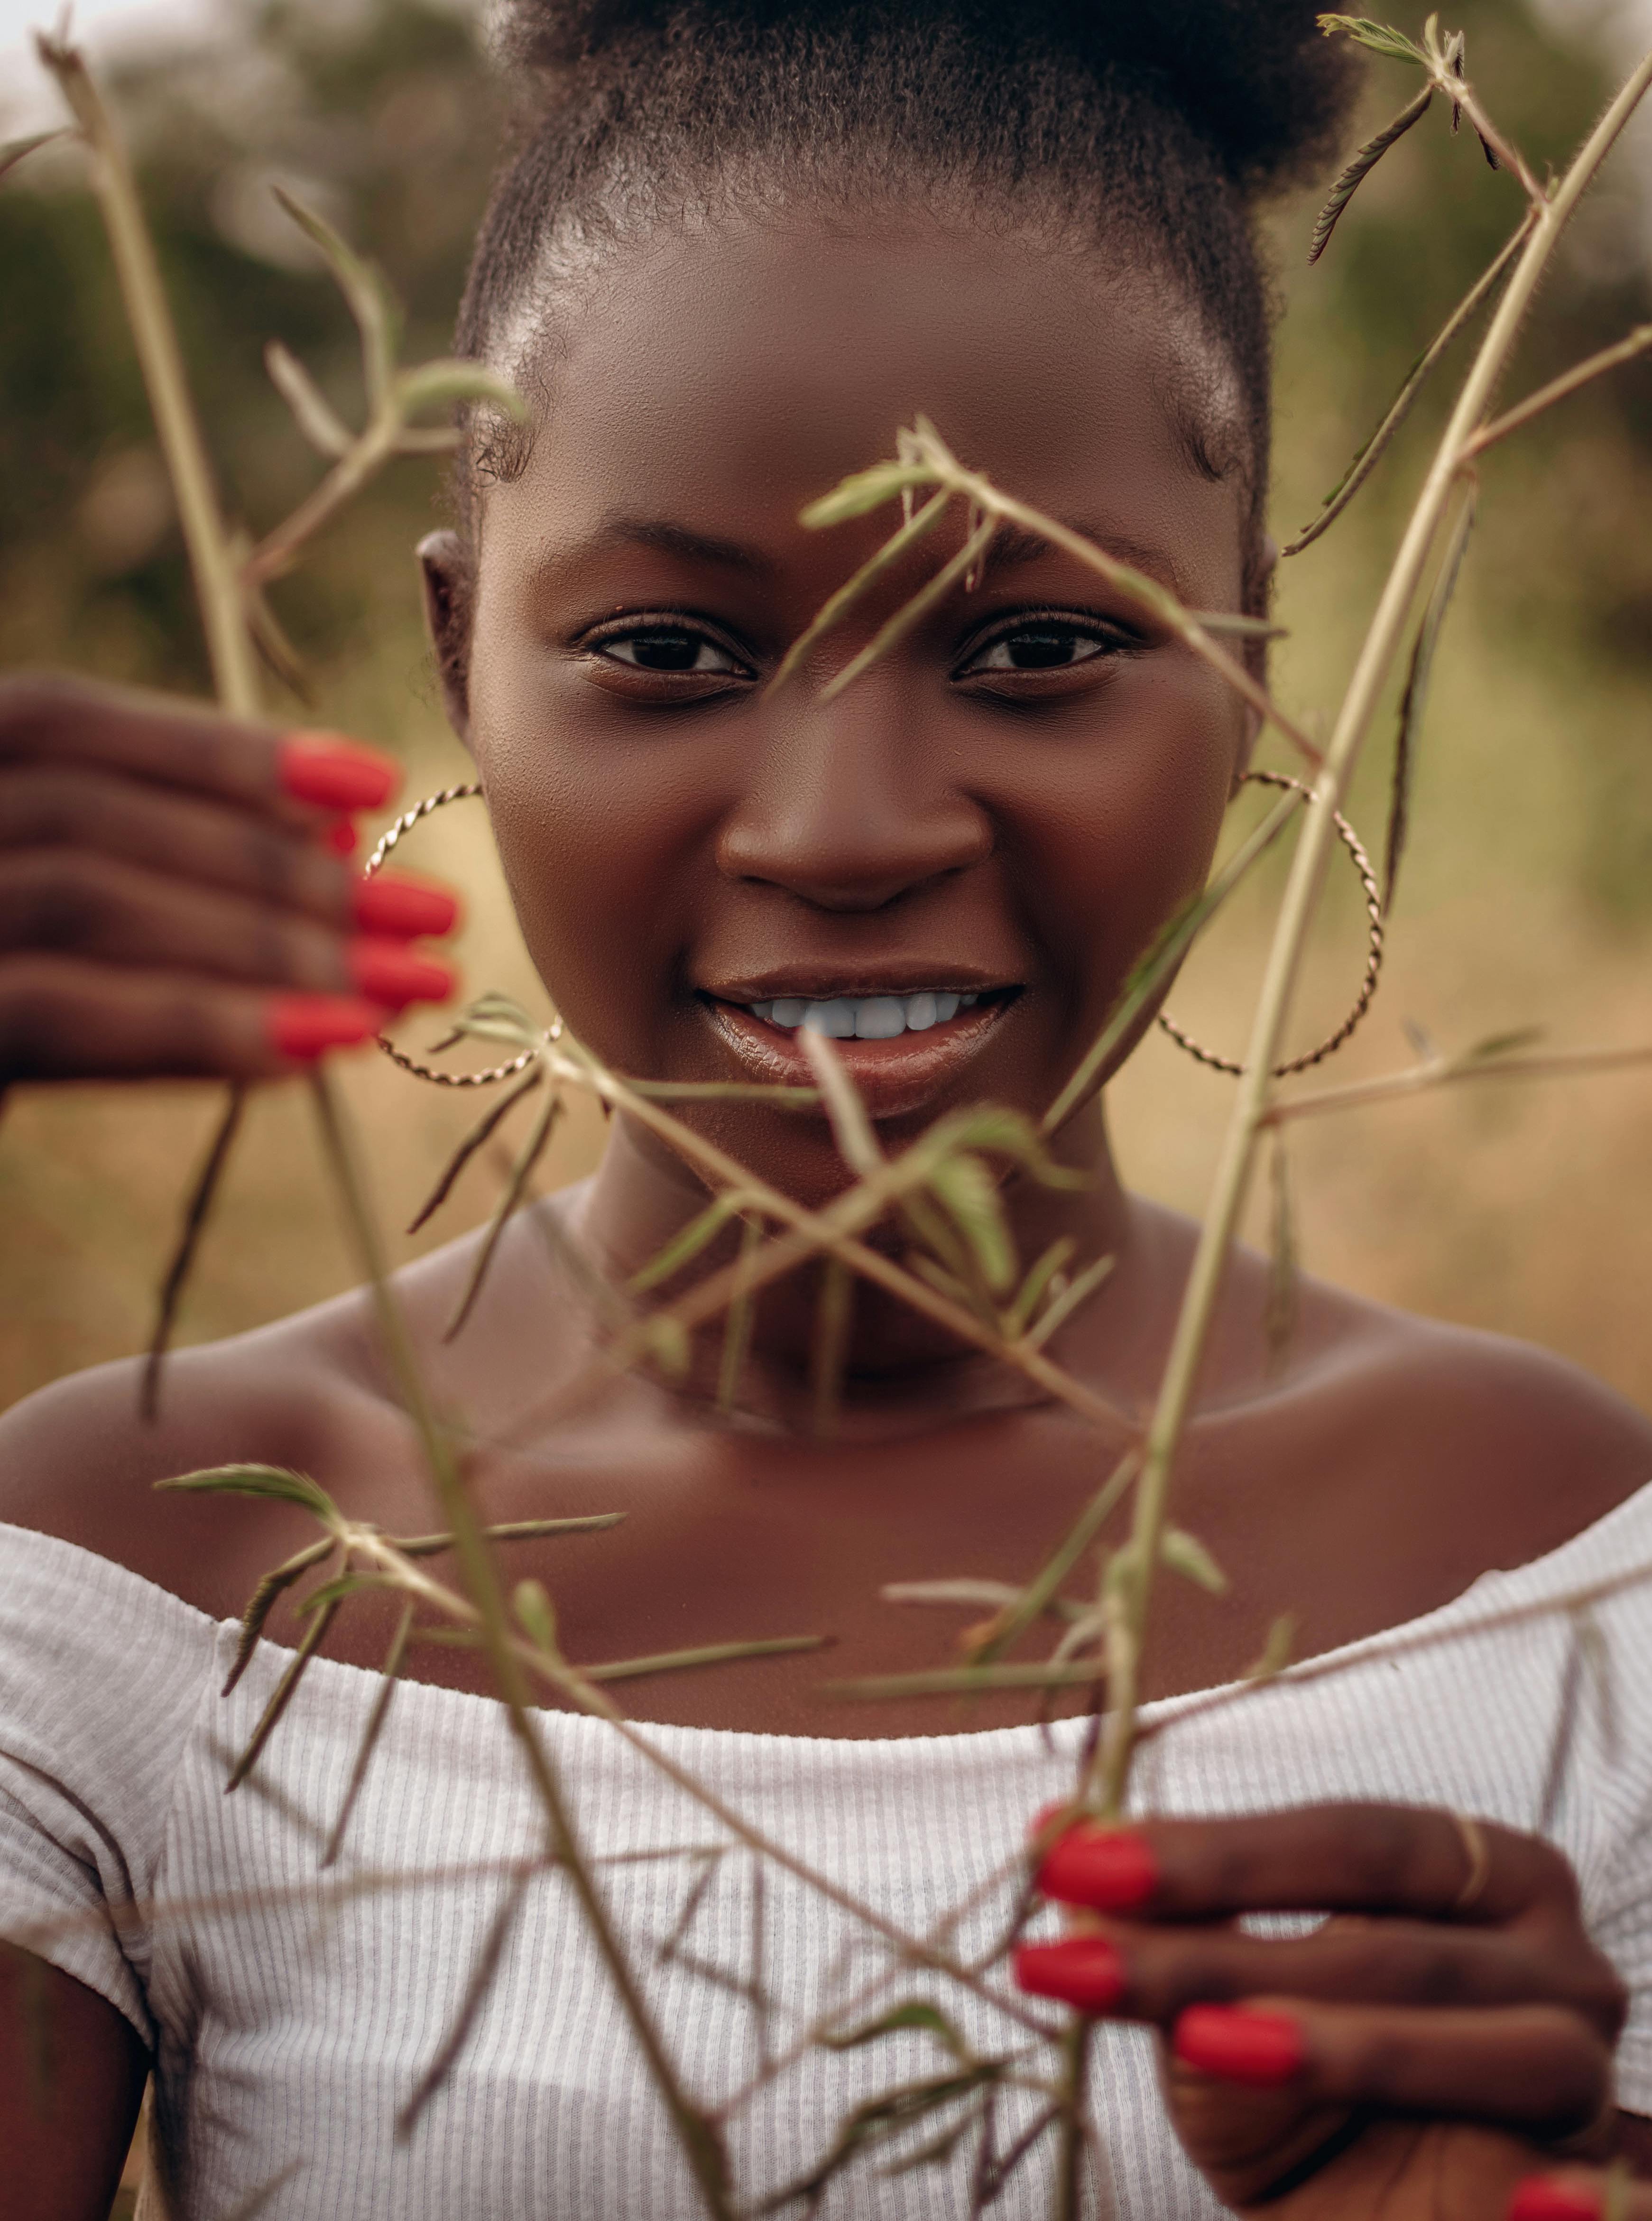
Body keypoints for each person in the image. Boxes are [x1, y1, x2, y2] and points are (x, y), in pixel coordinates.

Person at [2, 1, 1651, 2215]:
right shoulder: (140, 1566)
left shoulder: (1567, 1585)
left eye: (1037, 649)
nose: (846, 828)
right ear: (457, 654)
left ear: (1248, 659)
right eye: (672, 651)